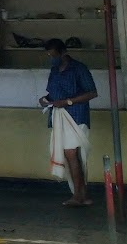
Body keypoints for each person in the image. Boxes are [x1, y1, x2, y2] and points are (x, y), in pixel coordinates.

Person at [40, 38, 98, 207]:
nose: (51, 58)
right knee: (70, 156)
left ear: (63, 52)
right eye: (49, 56)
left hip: (76, 117)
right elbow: (52, 94)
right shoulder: (54, 71)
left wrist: (68, 102)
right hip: (59, 117)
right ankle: (81, 195)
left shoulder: (79, 69)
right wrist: (45, 100)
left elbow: (92, 93)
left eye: (53, 55)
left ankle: (79, 196)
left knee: (72, 154)